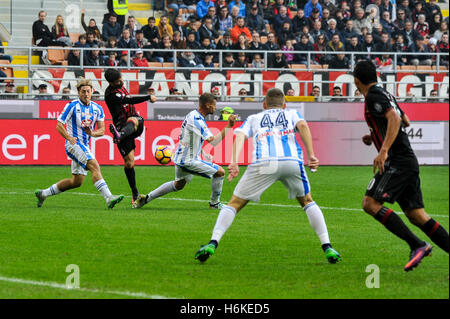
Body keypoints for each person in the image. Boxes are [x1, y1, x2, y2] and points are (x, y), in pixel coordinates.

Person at [194, 88, 342, 263]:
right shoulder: (292, 113)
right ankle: (328, 246)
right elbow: (303, 126)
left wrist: (234, 161)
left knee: (235, 203)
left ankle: (213, 243)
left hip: (263, 162)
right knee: (307, 201)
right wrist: (311, 154)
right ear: (284, 105)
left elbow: (240, 136)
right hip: (291, 161)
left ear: (264, 105)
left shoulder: (254, 118)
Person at [353, 60, 449, 271]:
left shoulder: (373, 96)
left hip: (398, 160)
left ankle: (417, 244)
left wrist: (384, 149)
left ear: (357, 81)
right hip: (407, 160)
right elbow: (406, 120)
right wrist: (375, 135)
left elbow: (395, 119)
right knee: (417, 215)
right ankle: (419, 244)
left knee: (370, 203)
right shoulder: (385, 93)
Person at [134, 93, 238, 210]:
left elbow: (193, 138)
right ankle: (214, 204)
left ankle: (146, 198)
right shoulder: (197, 119)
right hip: (188, 160)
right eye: (214, 105)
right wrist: (229, 126)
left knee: (178, 184)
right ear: (208, 105)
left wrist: (201, 152)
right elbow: (213, 141)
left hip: (182, 158)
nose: (215, 108)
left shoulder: (192, 115)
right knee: (220, 172)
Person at [35, 79, 124, 209]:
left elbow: (102, 130)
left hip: (84, 145)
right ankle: (109, 197)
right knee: (94, 166)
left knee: (76, 181)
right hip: (73, 144)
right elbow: (59, 125)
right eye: (83, 91)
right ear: (78, 92)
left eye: (88, 91)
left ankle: (44, 194)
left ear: (92, 91)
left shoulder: (97, 108)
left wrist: (92, 133)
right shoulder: (71, 106)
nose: (86, 94)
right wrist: (68, 137)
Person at [104, 69, 157, 206]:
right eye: (117, 81)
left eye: (120, 79)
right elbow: (130, 100)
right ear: (111, 83)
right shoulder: (111, 95)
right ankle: (135, 194)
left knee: (134, 119)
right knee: (129, 163)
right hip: (121, 127)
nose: (121, 82)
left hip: (135, 123)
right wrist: (148, 97)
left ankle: (120, 135)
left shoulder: (120, 85)